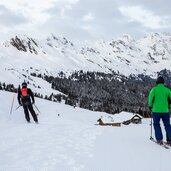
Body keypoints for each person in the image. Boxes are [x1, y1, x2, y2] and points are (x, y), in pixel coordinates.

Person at [148, 76, 171, 145]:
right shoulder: (167, 90)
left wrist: (150, 107)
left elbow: (150, 99)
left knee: (156, 124)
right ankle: (170, 139)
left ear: (157, 82)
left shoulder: (154, 90)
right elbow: (170, 100)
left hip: (156, 111)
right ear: (163, 83)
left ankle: (159, 139)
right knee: (167, 125)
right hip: (165, 111)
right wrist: (169, 107)